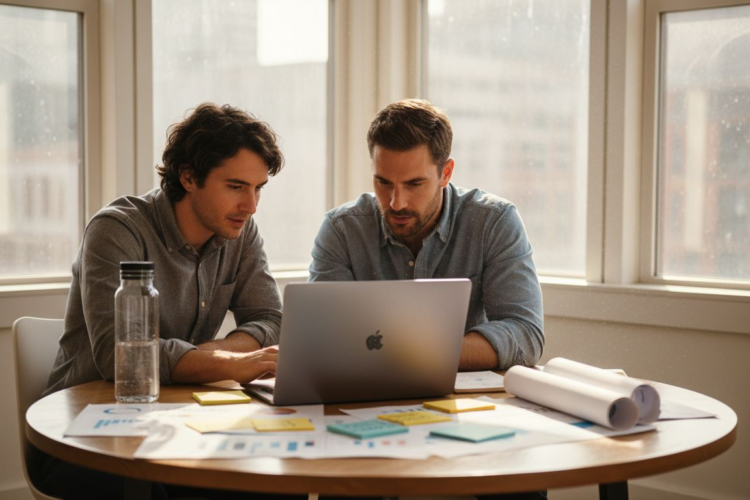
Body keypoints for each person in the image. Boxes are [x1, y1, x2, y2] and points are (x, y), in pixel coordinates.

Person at [32, 103, 297, 500]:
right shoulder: (117, 229)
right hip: (87, 437)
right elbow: (121, 357)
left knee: (276, 481)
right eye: (236, 187)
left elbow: (269, 318)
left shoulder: (240, 231)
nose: (251, 205)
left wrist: (213, 356)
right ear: (188, 177)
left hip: (181, 425)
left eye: (258, 188)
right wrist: (231, 363)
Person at [309, 98, 546, 500]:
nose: (396, 202)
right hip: (364, 410)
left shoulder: (494, 221)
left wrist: (407, 350)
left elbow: (525, 334)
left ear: (446, 172)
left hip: (467, 412)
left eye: (414, 184)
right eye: (383, 183)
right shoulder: (341, 230)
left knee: (520, 485)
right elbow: (322, 340)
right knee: (342, 485)